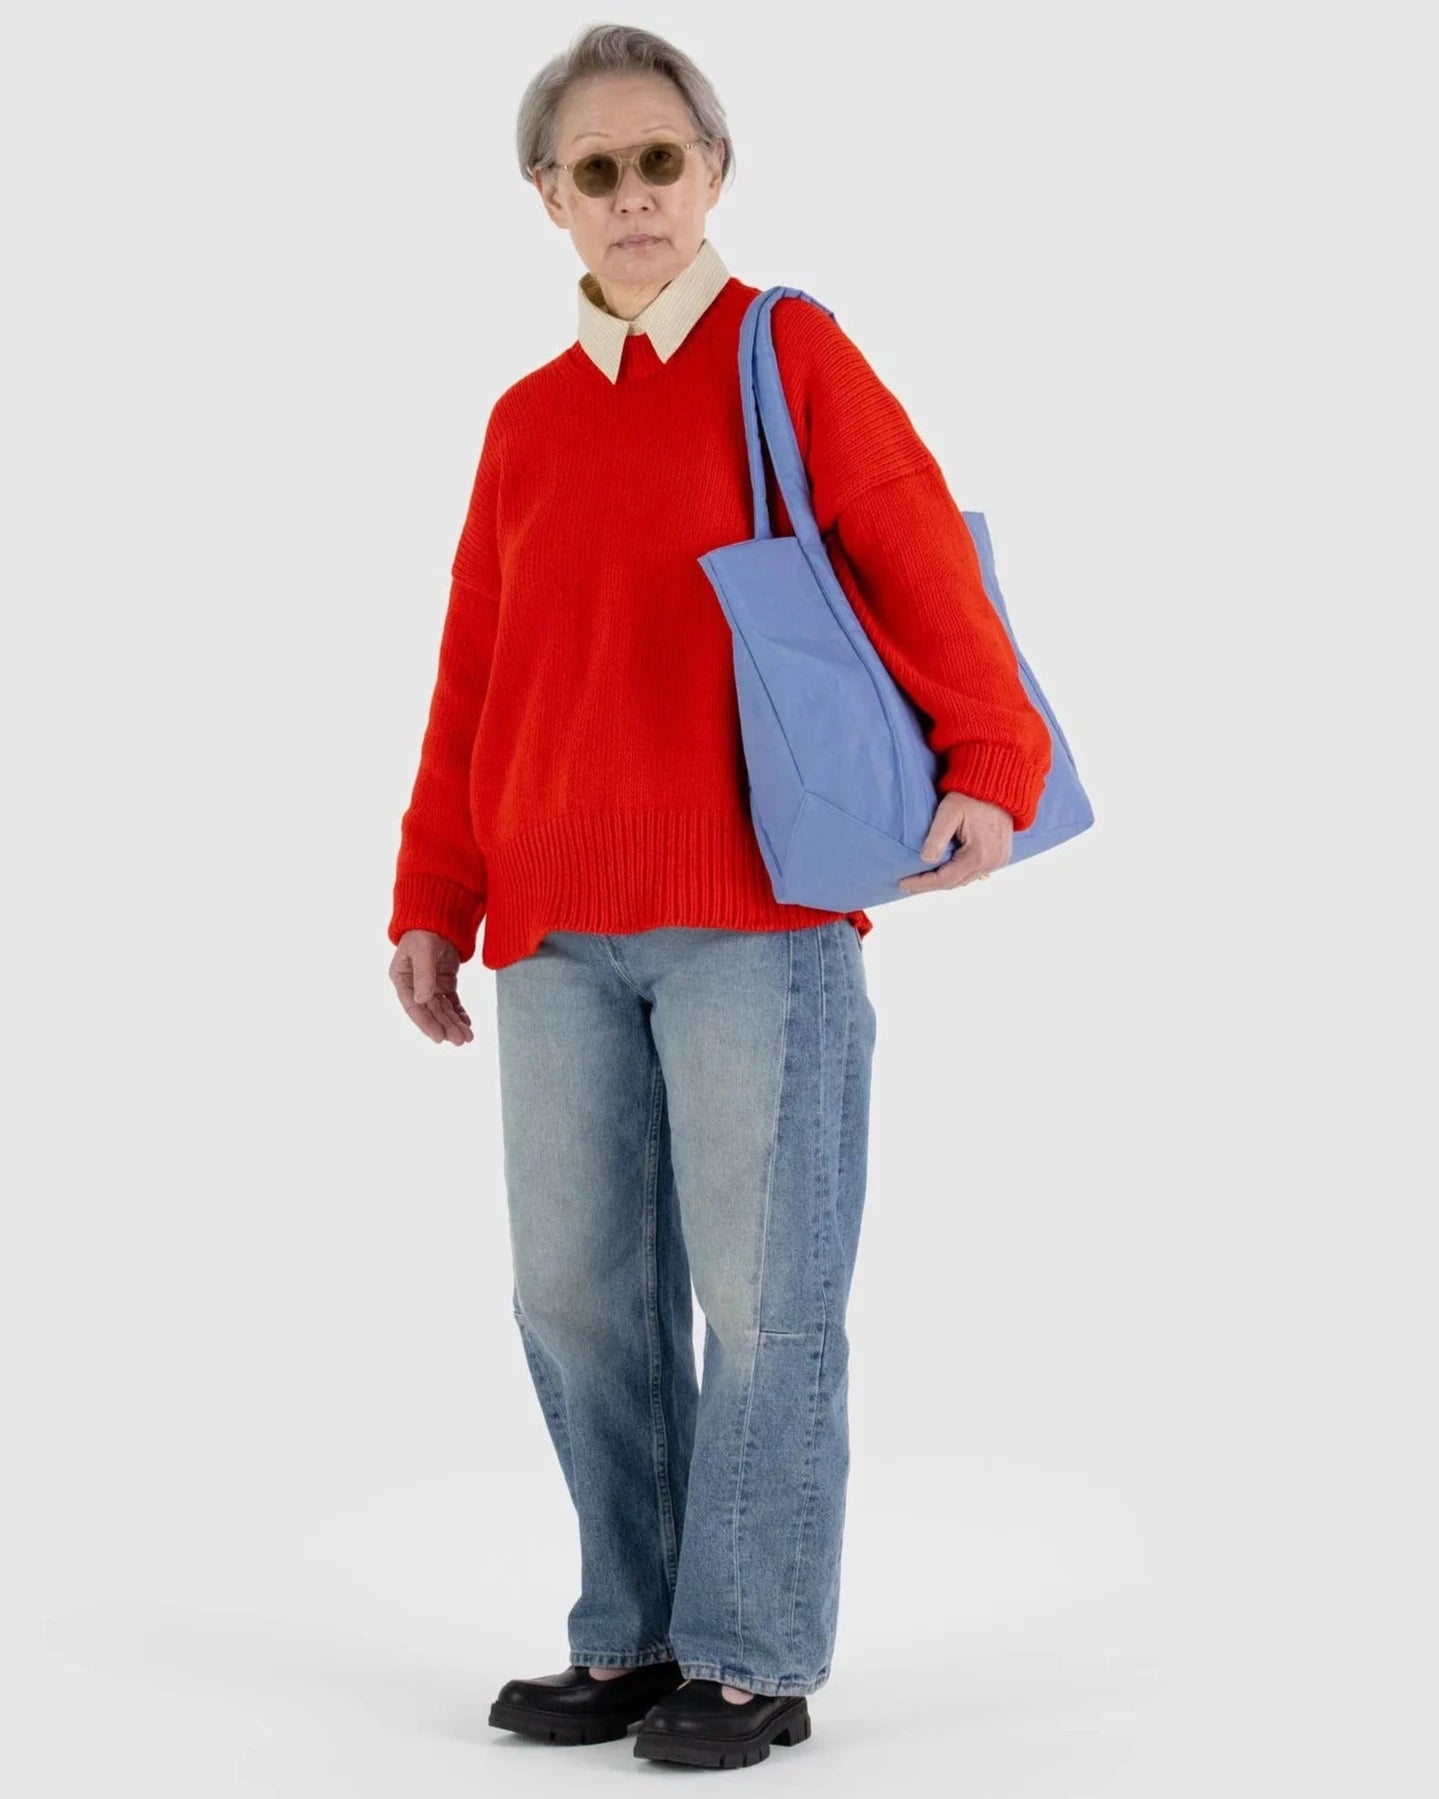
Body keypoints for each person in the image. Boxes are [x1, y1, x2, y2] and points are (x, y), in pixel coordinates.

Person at [386, 22, 1052, 1772]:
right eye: (597, 169)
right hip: (552, 928)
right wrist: (434, 890)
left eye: (660, 161)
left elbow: (910, 536)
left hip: (757, 911)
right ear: (549, 196)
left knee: (764, 1306)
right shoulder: (524, 421)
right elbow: (476, 674)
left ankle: (750, 1654)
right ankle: (633, 1633)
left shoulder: (785, 349)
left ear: (713, 173)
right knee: (574, 1299)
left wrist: (992, 756)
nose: (634, 196)